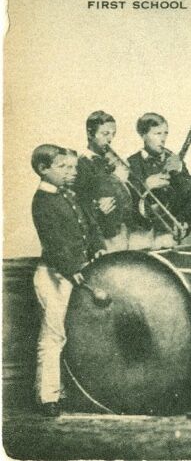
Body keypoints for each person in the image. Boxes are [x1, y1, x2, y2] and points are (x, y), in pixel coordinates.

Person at [31, 145, 105, 417]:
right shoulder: (42, 200)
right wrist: (72, 266)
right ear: (43, 169)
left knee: (75, 330)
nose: (71, 172)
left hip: (75, 272)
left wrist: (98, 246)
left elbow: (91, 225)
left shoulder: (70, 195)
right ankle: (47, 396)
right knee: (54, 334)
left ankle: (69, 392)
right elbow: (53, 242)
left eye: (73, 167)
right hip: (54, 274)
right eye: (63, 167)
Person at [73, 110, 138, 251]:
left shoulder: (110, 162)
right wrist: (96, 205)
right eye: (105, 134)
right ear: (90, 134)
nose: (110, 139)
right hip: (104, 236)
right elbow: (79, 200)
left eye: (113, 134)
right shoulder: (81, 164)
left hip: (122, 231)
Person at [127, 113, 190, 249]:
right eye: (157, 133)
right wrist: (146, 186)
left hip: (168, 233)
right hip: (141, 234)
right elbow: (128, 202)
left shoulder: (174, 161)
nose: (163, 139)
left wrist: (179, 171)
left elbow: (188, 196)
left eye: (165, 133)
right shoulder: (131, 163)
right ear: (143, 135)